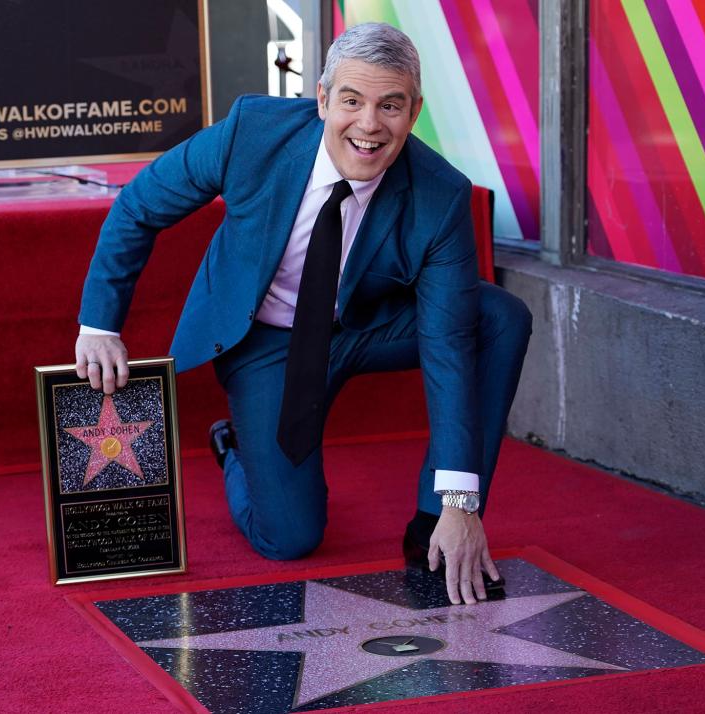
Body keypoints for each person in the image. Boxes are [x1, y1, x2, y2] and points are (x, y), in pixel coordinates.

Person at [75, 23, 531, 606]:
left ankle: (431, 533)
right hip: (265, 341)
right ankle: (234, 447)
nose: (369, 125)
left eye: (390, 106)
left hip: (364, 327)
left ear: (413, 112)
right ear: (321, 99)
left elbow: (447, 344)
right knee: (288, 537)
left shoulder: (441, 194)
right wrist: (100, 324)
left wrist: (459, 503)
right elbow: (140, 205)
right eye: (352, 101)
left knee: (499, 318)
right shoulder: (252, 133)